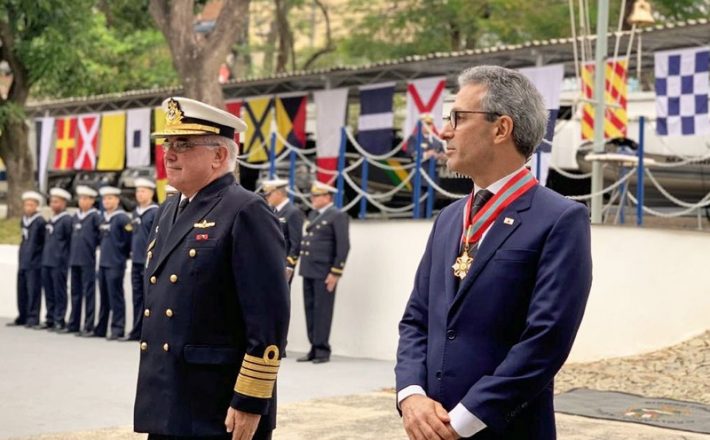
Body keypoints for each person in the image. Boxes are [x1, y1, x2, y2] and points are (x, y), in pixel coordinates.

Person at [395, 65, 593, 440]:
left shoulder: (560, 219)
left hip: (504, 428)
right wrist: (411, 396)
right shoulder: (449, 218)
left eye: (458, 117)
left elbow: (545, 340)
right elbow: (417, 319)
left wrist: (467, 418)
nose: (445, 130)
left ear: (501, 128)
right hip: (428, 426)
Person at [133, 97, 290, 440]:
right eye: (168, 143)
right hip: (168, 396)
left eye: (184, 144)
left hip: (216, 406)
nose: (169, 153)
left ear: (220, 155)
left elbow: (268, 319)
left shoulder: (246, 210)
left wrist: (250, 401)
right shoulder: (169, 209)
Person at [297, 181, 350, 364]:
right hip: (309, 269)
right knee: (310, 310)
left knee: (322, 311)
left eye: (316, 196)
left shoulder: (337, 215)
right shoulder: (314, 215)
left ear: (327, 197)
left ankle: (322, 349)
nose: (313, 199)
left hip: (324, 271)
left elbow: (343, 245)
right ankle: (313, 346)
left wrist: (336, 272)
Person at [93, 186, 132, 340]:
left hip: (115, 263)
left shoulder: (122, 218)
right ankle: (101, 328)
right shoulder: (103, 218)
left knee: (116, 297)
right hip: (103, 263)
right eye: (105, 199)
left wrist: (122, 255)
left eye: (110, 198)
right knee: (104, 297)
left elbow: (128, 239)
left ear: (117, 200)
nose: (107, 201)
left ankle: (117, 328)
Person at [124, 178, 158, 341]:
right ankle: (136, 330)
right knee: (136, 297)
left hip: (148, 261)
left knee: (148, 298)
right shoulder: (135, 212)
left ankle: (148, 333)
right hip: (136, 259)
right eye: (137, 191)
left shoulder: (155, 212)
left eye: (143, 191)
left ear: (151, 193)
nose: (139, 194)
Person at [67, 185, 102, 335]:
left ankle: (88, 325)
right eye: (80, 198)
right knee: (75, 292)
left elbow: (99, 238)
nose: (82, 201)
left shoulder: (95, 217)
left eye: (85, 198)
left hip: (87, 259)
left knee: (89, 293)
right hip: (74, 259)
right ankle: (73, 323)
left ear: (92, 201)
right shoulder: (75, 216)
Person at [9, 191, 46, 328]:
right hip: (24, 259)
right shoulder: (24, 220)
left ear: (37, 206)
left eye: (31, 205)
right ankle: (22, 315)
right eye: (26, 204)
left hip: (35, 261)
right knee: (22, 289)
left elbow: (42, 242)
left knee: (33, 289)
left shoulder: (40, 221)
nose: (28, 207)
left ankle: (33, 316)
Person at [38, 187, 73, 331]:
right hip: (47, 260)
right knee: (49, 291)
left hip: (59, 262)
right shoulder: (51, 219)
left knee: (59, 291)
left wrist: (65, 259)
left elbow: (69, 242)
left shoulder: (66, 220)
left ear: (64, 203)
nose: (53, 204)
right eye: (52, 202)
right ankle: (50, 318)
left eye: (57, 202)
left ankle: (60, 319)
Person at [260, 177, 304, 285]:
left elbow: (296, 243)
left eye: (269, 194)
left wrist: (289, 266)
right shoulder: (272, 210)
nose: (267, 197)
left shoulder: (292, 212)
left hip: (282, 265)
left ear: (278, 193)